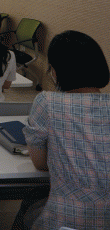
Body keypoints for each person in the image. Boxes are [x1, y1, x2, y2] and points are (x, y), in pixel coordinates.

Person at [13, 30, 110, 230]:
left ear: (55, 71)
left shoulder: (47, 101)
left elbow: (40, 164)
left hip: (65, 220)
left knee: (32, 200)